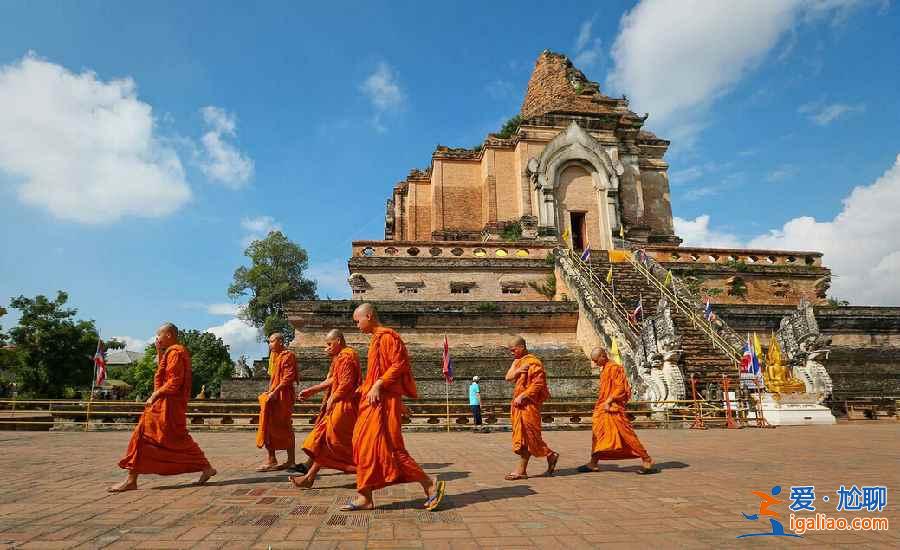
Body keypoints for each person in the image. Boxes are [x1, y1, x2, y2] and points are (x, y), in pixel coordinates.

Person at [342, 303, 446, 511]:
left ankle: (430, 484)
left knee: (391, 449)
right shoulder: (375, 340)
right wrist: (362, 389)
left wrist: (380, 386)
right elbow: (375, 374)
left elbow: (398, 365)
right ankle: (365, 496)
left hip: (383, 404)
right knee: (362, 445)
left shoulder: (388, 337)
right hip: (374, 402)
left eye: (357, 321)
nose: (357, 326)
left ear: (369, 316)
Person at [109, 323, 216, 492]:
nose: (157, 338)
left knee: (143, 435)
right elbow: (164, 372)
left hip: (167, 404)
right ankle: (206, 467)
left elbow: (174, 381)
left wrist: (154, 395)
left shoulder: (176, 352)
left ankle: (131, 480)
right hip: (168, 404)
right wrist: (159, 352)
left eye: (159, 335)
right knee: (175, 438)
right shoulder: (171, 353)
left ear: (168, 335)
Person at [290, 329, 360, 488]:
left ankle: (369, 471)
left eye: (329, 344)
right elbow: (335, 379)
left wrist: (333, 398)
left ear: (339, 342)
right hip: (339, 404)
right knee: (325, 441)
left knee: (329, 442)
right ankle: (310, 476)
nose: (326, 348)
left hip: (345, 406)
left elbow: (346, 383)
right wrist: (313, 390)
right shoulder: (340, 358)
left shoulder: (347, 356)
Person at [578, 347, 659, 475]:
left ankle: (647, 459)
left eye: (595, 360)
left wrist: (609, 400)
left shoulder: (614, 368)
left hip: (613, 408)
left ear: (603, 356)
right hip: (603, 408)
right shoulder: (605, 368)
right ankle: (593, 462)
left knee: (626, 435)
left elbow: (620, 387)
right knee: (598, 434)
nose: (594, 363)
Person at [504, 336, 559, 480]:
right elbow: (508, 377)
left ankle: (523, 469)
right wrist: (518, 370)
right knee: (523, 437)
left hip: (528, 405)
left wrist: (523, 396)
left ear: (522, 347)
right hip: (518, 405)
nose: (512, 353)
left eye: (513, 350)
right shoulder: (518, 362)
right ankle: (549, 455)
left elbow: (538, 384)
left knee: (530, 437)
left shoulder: (534, 362)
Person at [255, 332, 298, 472]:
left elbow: (288, 378)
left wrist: (275, 392)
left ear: (280, 341)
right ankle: (271, 459)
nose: (270, 344)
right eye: (269, 341)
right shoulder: (274, 356)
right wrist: (270, 392)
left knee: (285, 426)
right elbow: (273, 378)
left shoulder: (288, 356)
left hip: (283, 396)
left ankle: (291, 461)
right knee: (267, 426)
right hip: (273, 396)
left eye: (272, 341)